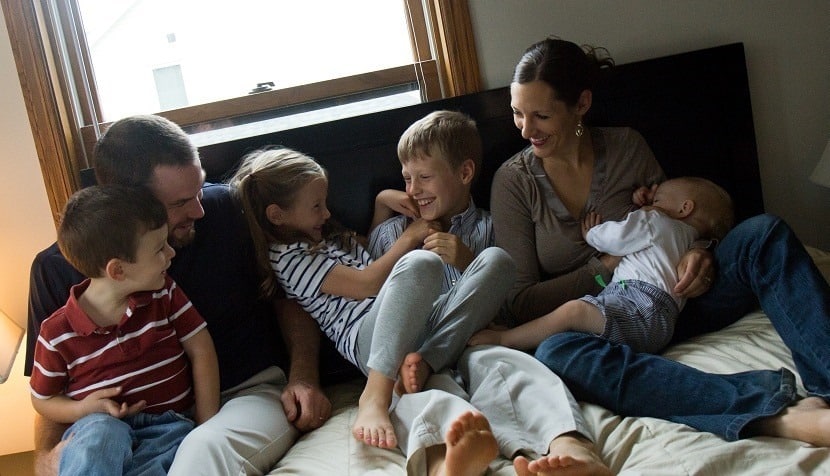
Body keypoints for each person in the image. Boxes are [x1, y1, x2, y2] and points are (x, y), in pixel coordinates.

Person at [491, 36, 830, 446]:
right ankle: (772, 412)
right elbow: (518, 302)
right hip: (606, 317)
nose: (526, 130)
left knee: (764, 234)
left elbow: (681, 215)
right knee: (557, 353)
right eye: (517, 114)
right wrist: (600, 272)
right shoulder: (515, 182)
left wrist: (699, 251)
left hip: (677, 296)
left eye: (540, 116)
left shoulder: (626, 148)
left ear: (581, 104)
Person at [26, 115, 332, 475]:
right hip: (123, 426)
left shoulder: (228, 210)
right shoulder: (56, 269)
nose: (199, 210)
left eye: (199, 189)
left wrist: (304, 376)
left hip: (245, 395)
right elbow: (49, 389)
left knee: (202, 451)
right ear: (131, 204)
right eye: (180, 203)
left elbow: (291, 296)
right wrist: (46, 460)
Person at [370, 110, 612, 475]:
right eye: (406, 178)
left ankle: (573, 449)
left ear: (465, 173)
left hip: (469, 342)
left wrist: (468, 261)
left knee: (514, 366)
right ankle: (446, 467)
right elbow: (373, 294)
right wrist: (386, 213)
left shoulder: (490, 227)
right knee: (422, 394)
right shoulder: (394, 233)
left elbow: (508, 301)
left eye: (424, 177)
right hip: (411, 352)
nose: (413, 190)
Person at [229, 146, 515, 452]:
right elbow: (369, 282)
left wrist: (381, 202)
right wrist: (410, 237)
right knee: (421, 263)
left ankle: (427, 362)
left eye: (325, 203)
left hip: (416, 326)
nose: (326, 213)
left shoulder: (324, 236)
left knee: (498, 261)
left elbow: (371, 251)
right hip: (372, 341)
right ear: (278, 215)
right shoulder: (288, 259)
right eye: (316, 206)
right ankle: (375, 395)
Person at [29, 185, 219, 475]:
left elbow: (201, 349)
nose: (171, 253)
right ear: (117, 270)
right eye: (159, 248)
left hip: (168, 425)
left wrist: (207, 425)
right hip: (97, 426)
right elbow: (42, 399)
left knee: (164, 464)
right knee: (99, 438)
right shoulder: (56, 333)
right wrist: (81, 410)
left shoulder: (164, 295)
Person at [471, 176, 734, 353]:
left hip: (638, 303)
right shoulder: (692, 242)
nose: (651, 203)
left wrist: (593, 234)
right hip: (662, 321)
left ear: (685, 207)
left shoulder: (656, 222)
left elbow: (618, 238)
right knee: (574, 333)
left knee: (573, 312)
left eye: (657, 199)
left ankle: (505, 339)